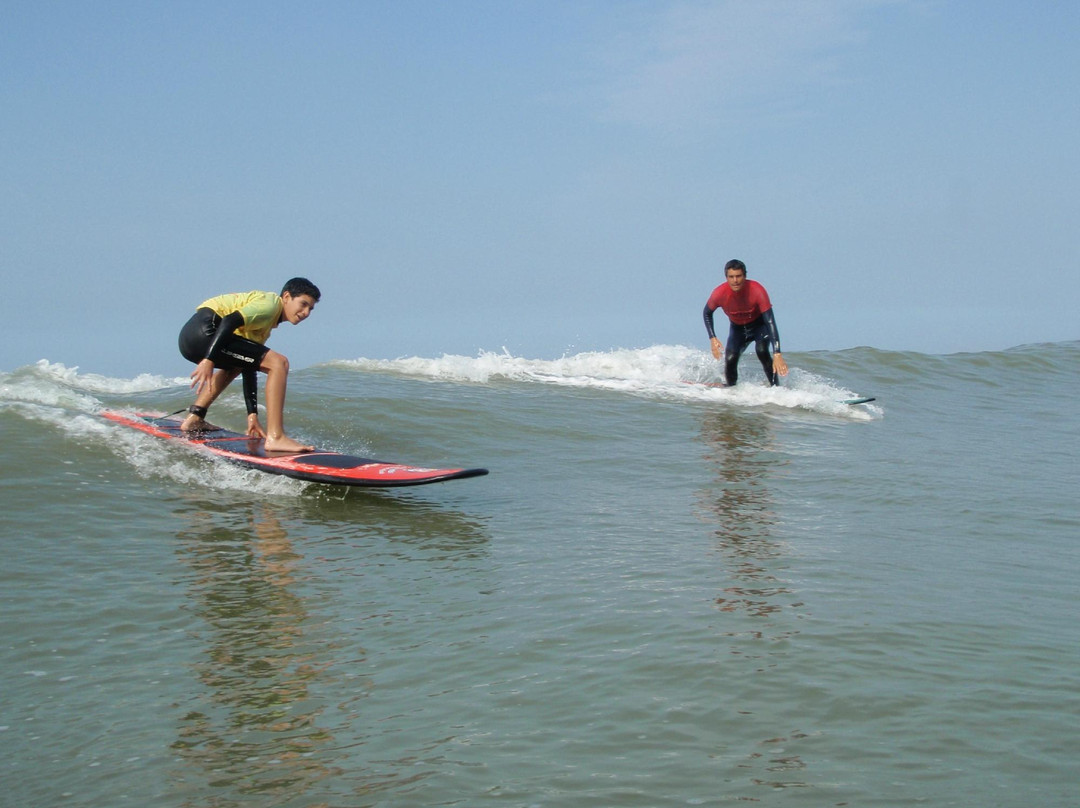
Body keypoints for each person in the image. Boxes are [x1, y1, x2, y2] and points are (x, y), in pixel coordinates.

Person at [177, 277, 321, 452]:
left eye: (310, 309)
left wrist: (252, 415)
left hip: (192, 336)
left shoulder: (264, 324)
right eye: (303, 304)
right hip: (205, 331)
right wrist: (209, 359)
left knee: (236, 365)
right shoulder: (269, 306)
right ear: (286, 296)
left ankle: (195, 417)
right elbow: (229, 320)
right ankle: (276, 437)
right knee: (279, 363)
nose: (306, 312)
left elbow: (248, 364)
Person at [703, 259, 788, 387]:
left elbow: (770, 320)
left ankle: (776, 388)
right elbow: (707, 313)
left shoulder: (757, 290)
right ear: (726, 277)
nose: (735, 280)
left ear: (745, 276)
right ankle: (731, 390)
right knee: (730, 358)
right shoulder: (719, 293)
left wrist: (777, 353)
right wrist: (712, 338)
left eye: (738, 276)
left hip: (759, 326)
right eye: (731, 277)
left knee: (761, 351)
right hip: (738, 330)